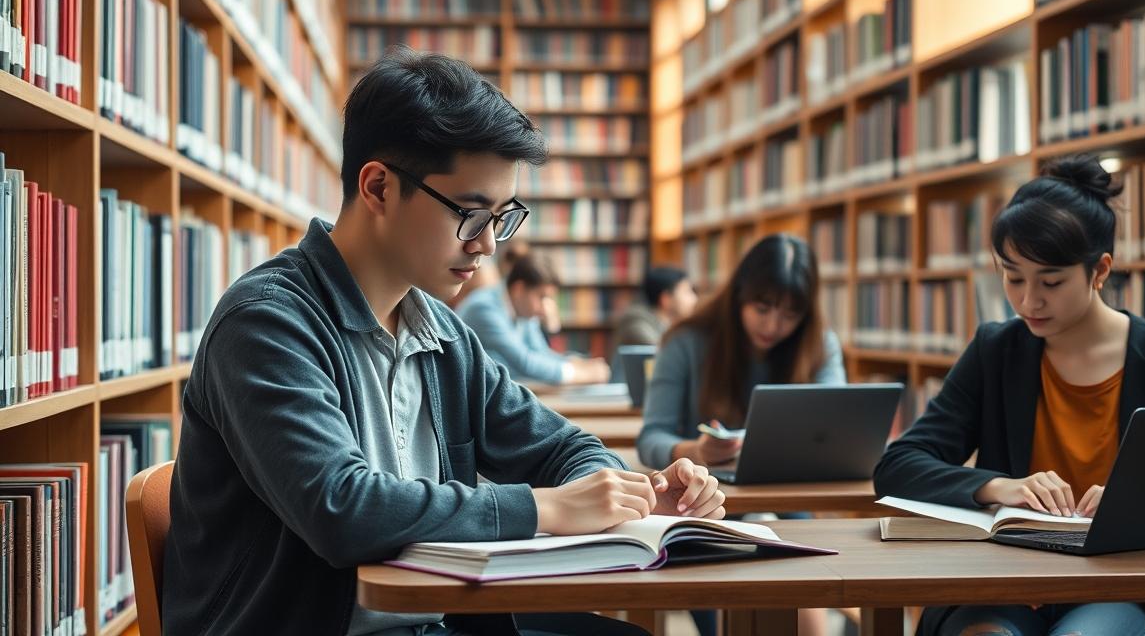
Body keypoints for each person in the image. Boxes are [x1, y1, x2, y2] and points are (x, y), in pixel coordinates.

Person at [161, 47, 726, 636]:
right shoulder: (266, 324)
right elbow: (341, 509)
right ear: (378, 187)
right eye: (471, 214)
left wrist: (635, 492)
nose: (488, 246)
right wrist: (546, 508)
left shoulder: (440, 331)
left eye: (502, 218)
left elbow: (560, 448)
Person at [872, 154, 1145, 636]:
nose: (1028, 301)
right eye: (1013, 278)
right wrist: (997, 487)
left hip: (1125, 587)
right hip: (1006, 581)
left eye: (1050, 282)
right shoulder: (996, 350)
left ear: (1100, 270)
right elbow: (898, 466)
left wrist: (1130, 502)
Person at [636, 233, 845, 636]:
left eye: (789, 314)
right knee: (719, 607)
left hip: (787, 490)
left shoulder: (818, 344)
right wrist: (695, 449)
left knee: (806, 583)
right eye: (762, 308)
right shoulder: (686, 341)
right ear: (738, 297)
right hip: (701, 497)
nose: (773, 325)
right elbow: (651, 436)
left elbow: (834, 423)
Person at [457, 252, 611, 385]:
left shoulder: (521, 309)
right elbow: (525, 362)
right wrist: (579, 374)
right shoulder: (484, 308)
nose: (545, 308)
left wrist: (575, 364)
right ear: (519, 289)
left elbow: (540, 352)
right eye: (542, 297)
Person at [609, 266, 698, 382]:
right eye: (687, 292)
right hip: (623, 397)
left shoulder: (671, 325)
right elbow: (668, 355)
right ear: (666, 299)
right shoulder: (635, 323)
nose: (694, 299)